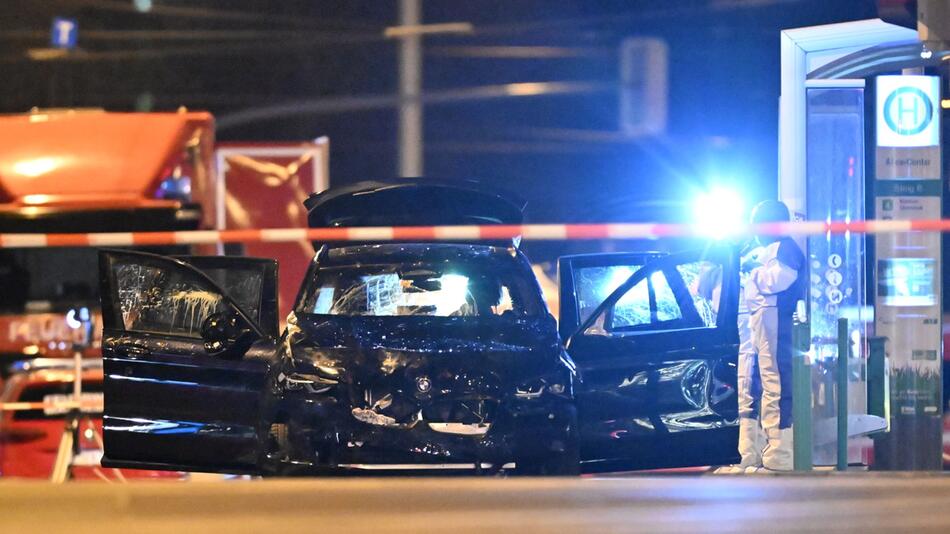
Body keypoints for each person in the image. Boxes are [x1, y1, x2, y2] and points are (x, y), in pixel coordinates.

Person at [744, 200, 805, 472]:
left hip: (776, 322)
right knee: (768, 382)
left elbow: (781, 278)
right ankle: (772, 448)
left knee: (776, 384)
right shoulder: (775, 248)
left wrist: (753, 274)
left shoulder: (785, 247)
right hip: (767, 322)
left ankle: (781, 451)